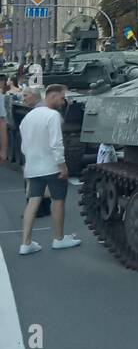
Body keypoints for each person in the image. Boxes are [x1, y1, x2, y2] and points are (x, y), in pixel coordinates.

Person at [19, 84, 81, 255]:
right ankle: (59, 238)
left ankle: (26, 243)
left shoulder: (28, 117)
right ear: (52, 96)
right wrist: (62, 165)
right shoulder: (53, 116)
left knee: (33, 201)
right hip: (51, 166)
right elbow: (56, 143)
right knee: (58, 200)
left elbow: (24, 144)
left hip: (33, 166)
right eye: (61, 98)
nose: (63, 102)